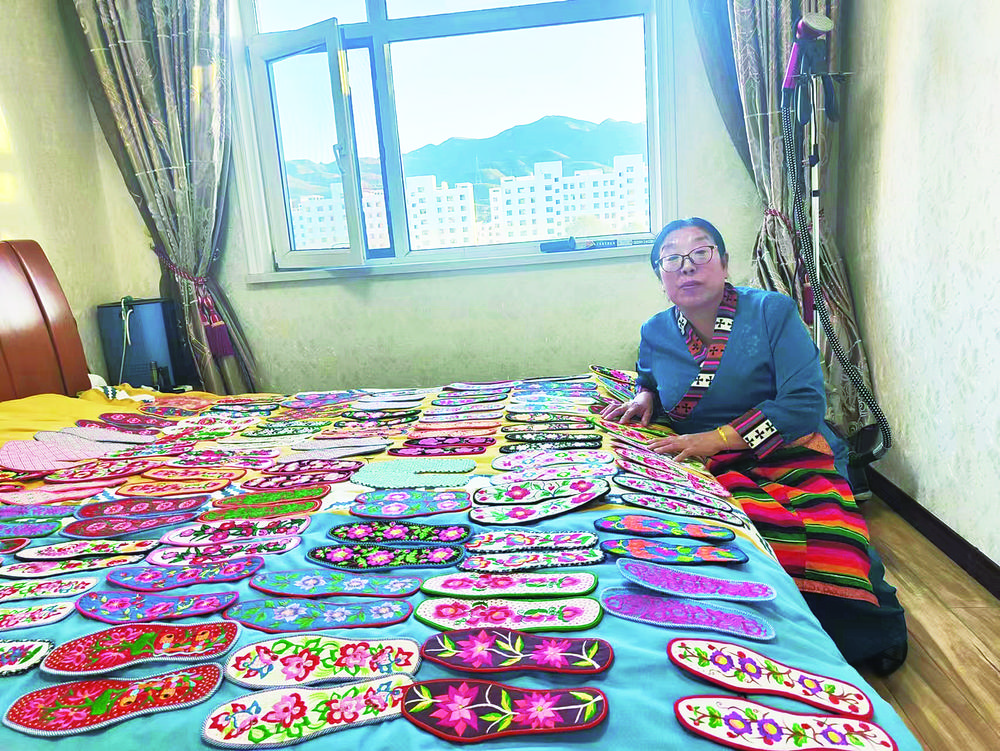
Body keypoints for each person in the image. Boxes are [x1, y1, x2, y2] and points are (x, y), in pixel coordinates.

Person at [601, 217, 908, 674]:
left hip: (787, 446)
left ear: (724, 263)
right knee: (703, 541)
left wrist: (720, 438)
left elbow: (803, 403)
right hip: (705, 459)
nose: (687, 266)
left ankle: (859, 631)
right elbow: (648, 376)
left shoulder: (771, 312)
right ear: (661, 279)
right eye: (671, 259)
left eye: (700, 252)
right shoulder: (655, 331)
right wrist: (645, 396)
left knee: (828, 535)